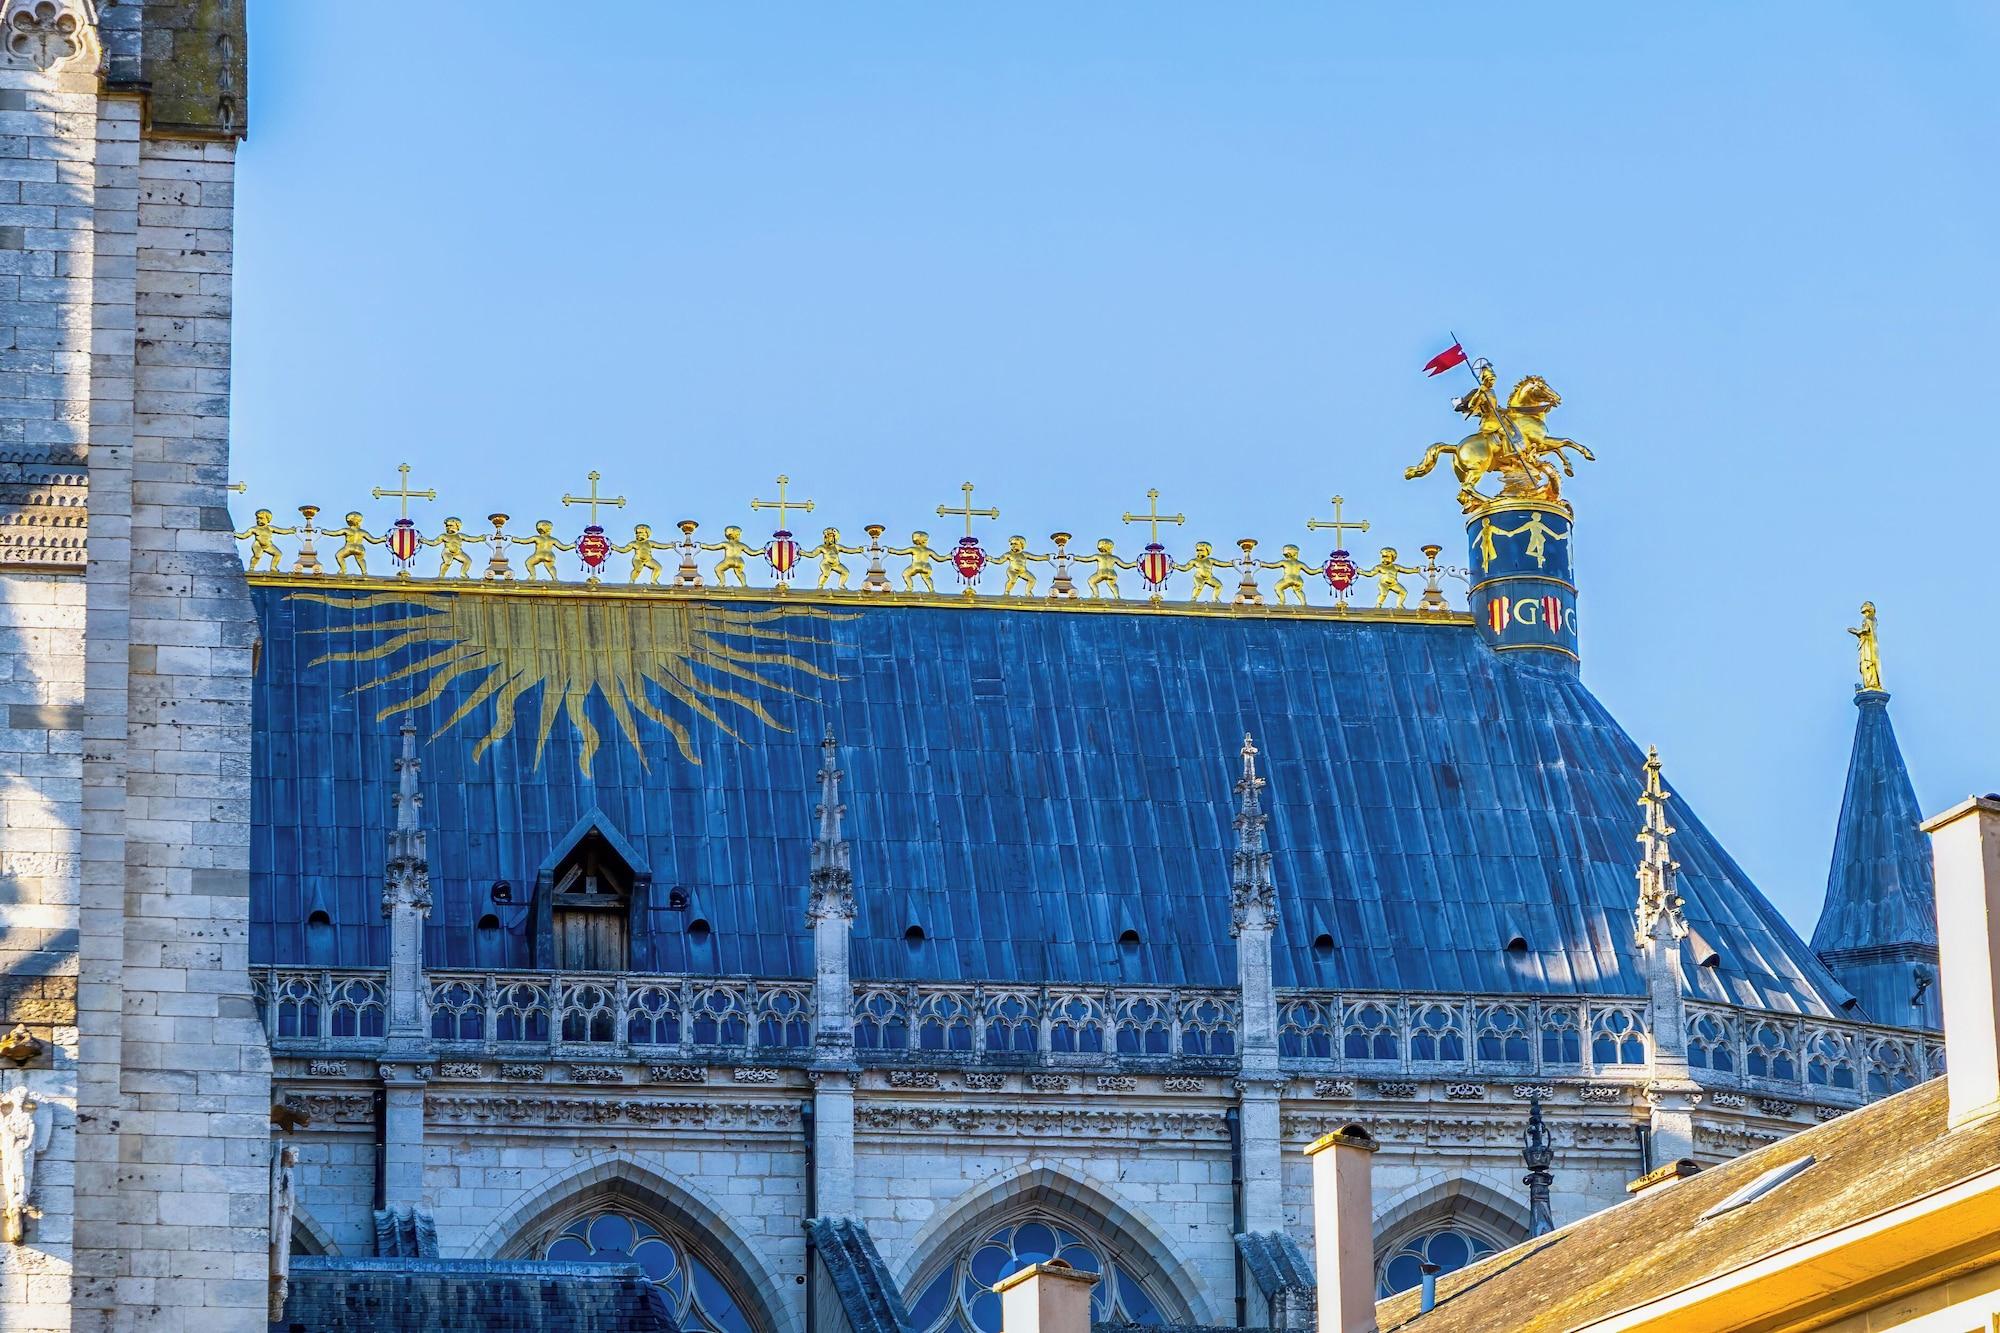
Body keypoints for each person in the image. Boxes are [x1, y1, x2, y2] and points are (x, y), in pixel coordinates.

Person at [234, 508, 294, 573]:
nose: (259, 520)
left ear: (268, 519)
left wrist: (290, 530)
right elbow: (244, 536)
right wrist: (235, 534)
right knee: (257, 556)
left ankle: (273, 567)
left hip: (268, 545)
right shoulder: (253, 529)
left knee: (278, 554)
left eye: (261, 518)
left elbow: (281, 531)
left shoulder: (270, 528)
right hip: (258, 545)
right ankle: (251, 567)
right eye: (257, 518)